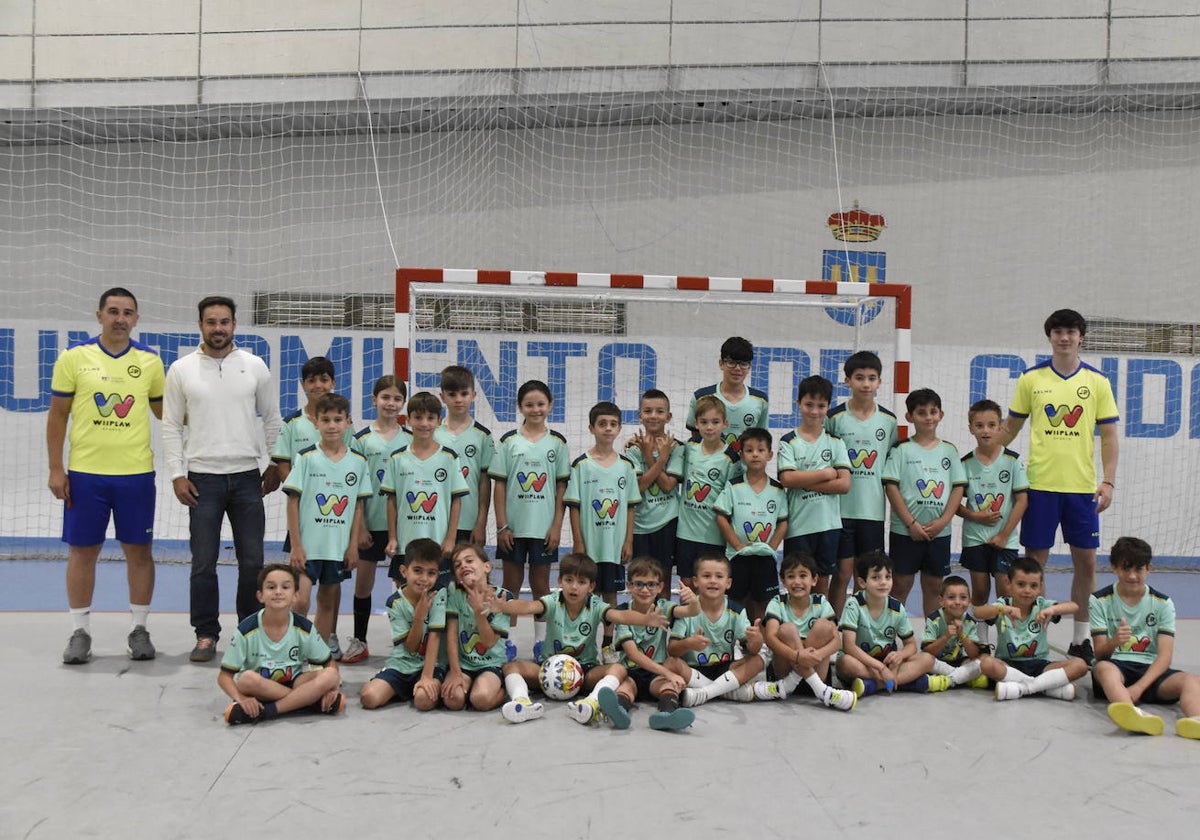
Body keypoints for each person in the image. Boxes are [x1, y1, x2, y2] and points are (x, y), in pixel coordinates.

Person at [162, 295, 283, 664]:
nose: (218, 328)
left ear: (234, 324)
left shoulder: (254, 365)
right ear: (200, 325)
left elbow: (272, 417)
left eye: (224, 322)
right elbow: (169, 426)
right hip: (202, 479)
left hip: (247, 477)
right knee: (202, 563)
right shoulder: (181, 370)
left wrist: (276, 463)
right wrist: (177, 475)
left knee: (252, 562)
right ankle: (205, 633)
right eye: (211, 322)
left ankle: (249, 631)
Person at [47, 287, 165, 665]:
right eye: (113, 311)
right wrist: (55, 468)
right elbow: (58, 416)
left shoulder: (150, 362)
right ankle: (80, 632)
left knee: (140, 553)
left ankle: (139, 629)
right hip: (85, 476)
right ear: (99, 315)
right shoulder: (74, 358)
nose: (120, 318)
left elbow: (168, 415)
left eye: (128, 312)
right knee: (83, 553)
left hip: (136, 475)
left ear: (136, 319)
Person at [999, 308, 1119, 664]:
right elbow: (1009, 430)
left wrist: (1108, 481)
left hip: (1081, 490)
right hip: (1039, 487)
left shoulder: (1098, 382)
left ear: (1081, 336)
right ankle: (1034, 635)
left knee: (1087, 564)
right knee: (1034, 566)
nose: (1064, 337)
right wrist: (982, 462)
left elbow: (1110, 437)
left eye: (1071, 331)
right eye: (1058, 331)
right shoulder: (1031, 379)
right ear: (1049, 337)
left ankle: (1081, 639)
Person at [494, 553, 668, 729]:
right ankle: (522, 702)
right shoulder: (553, 601)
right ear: (560, 581)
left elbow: (619, 615)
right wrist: (504, 606)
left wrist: (644, 620)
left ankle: (591, 703)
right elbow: (529, 606)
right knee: (511, 666)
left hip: (584, 673)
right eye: (569, 580)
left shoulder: (595, 605)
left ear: (591, 586)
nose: (574, 587)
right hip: (548, 672)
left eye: (581, 582)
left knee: (619, 669)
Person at [270, 355, 351, 657]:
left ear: (333, 382)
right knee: (301, 596)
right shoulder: (292, 424)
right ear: (303, 385)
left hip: (336, 524)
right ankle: (292, 641)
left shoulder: (344, 425)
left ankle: (325, 639)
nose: (319, 385)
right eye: (312, 380)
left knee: (332, 586)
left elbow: (349, 468)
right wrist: (301, 493)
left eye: (324, 379)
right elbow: (282, 465)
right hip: (306, 520)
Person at [282, 393, 369, 654]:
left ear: (348, 422)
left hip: (337, 547)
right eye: (326, 420)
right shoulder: (306, 458)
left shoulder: (358, 462)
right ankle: (294, 651)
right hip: (308, 546)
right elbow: (292, 502)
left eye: (337, 419)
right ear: (316, 423)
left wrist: (353, 546)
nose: (332, 425)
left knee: (327, 603)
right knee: (300, 600)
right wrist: (296, 546)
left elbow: (357, 507)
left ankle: (317, 656)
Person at [1089, 536, 1200, 738]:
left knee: (1190, 680)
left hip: (1151, 672)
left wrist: (1139, 687)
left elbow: (1165, 656)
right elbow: (1100, 653)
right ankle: (1134, 715)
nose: (1132, 576)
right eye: (1126, 568)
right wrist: (1115, 642)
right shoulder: (1099, 600)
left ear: (1149, 568)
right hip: (1117, 668)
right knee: (1103, 668)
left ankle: (1196, 720)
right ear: (1114, 568)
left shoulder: (1163, 603)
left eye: (1138, 569)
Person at [490, 379, 570, 658]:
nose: (535, 409)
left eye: (540, 404)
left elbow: (562, 488)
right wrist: (501, 525)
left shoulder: (557, 443)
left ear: (550, 405)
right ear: (519, 407)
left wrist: (557, 526)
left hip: (544, 530)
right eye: (529, 404)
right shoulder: (509, 442)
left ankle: (541, 642)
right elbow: (499, 485)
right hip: (513, 529)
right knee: (510, 587)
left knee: (541, 587)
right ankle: (508, 641)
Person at [218, 563, 344, 725]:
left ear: (296, 595)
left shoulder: (304, 628)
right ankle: (308, 702)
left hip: (296, 682)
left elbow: (330, 665)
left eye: (285, 587)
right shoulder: (247, 629)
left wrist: (333, 689)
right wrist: (241, 698)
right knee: (246, 679)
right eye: (271, 587)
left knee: (331, 675)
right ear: (260, 596)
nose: (278, 592)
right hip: (260, 687)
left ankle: (267, 711)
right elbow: (224, 677)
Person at [824, 351, 898, 618]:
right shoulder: (834, 418)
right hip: (840, 509)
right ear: (847, 381)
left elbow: (890, 465)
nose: (865, 384)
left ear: (879, 382)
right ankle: (832, 628)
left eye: (871, 378)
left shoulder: (888, 421)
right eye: (859, 378)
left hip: (872, 512)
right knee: (842, 573)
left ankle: (860, 629)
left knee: (865, 576)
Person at [881, 388, 966, 618]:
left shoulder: (949, 450)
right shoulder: (901, 450)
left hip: (939, 532)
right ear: (909, 417)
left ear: (941, 415)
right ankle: (890, 637)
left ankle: (932, 641)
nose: (928, 417)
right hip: (905, 531)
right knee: (900, 585)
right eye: (921, 412)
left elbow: (958, 487)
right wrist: (910, 523)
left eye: (933, 412)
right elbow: (891, 486)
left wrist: (944, 521)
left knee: (934, 587)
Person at [566, 401, 641, 651]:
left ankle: (608, 644)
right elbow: (573, 505)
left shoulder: (627, 466)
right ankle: (581, 643)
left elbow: (630, 506)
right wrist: (578, 540)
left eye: (613, 424)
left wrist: (628, 539)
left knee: (610, 595)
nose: (607, 429)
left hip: (614, 545)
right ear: (591, 428)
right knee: (584, 595)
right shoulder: (581, 465)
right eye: (602, 424)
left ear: (619, 428)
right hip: (589, 545)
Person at [346, 375, 411, 663]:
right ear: (374, 400)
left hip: (403, 527)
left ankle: (406, 642)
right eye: (385, 397)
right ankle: (360, 640)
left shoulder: (410, 439)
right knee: (364, 584)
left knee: (405, 587)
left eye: (397, 398)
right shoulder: (361, 440)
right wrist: (358, 528)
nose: (391, 403)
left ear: (403, 404)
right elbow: (355, 487)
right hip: (370, 524)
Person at [957, 398, 1028, 649]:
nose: (985, 430)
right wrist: (974, 516)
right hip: (975, 538)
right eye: (980, 425)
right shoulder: (964, 464)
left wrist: (1003, 534)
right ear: (971, 428)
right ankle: (982, 641)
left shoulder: (1012, 461)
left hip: (1005, 538)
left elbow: (1021, 501)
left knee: (1005, 591)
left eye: (991, 425)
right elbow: (954, 503)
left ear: (1000, 427)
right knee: (979, 589)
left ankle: (1009, 641)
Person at [973, 555, 1088, 701]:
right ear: (1008, 583)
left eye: (1033, 586)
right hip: (1008, 665)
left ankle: (1024, 688)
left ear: (1040, 587)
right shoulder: (1003, 604)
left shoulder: (1042, 605)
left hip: (1040, 666)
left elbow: (1074, 606)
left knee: (1080, 665)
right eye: (1021, 584)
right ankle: (1044, 688)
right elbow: (978, 612)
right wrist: (1002, 610)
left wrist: (1052, 610)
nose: (1027, 590)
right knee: (986, 663)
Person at [381, 391, 469, 581]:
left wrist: (450, 539)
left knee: (438, 599)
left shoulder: (449, 458)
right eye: (418, 417)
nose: (424, 423)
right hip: (406, 544)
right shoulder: (397, 459)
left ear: (439, 421)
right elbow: (391, 501)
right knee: (406, 599)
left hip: (438, 543)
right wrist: (392, 538)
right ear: (408, 420)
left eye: (430, 418)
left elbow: (456, 501)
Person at [835, 551, 949, 698]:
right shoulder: (854, 604)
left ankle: (873, 685)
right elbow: (849, 646)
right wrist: (881, 668)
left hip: (888, 664)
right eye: (876, 578)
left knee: (927, 659)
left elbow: (911, 646)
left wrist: (900, 655)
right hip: (862, 663)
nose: (883, 582)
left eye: (887, 577)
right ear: (862, 582)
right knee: (845, 663)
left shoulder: (896, 607)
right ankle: (905, 683)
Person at [777, 375, 850, 597]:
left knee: (822, 581)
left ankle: (820, 626)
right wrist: (825, 474)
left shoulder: (835, 442)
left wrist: (806, 480)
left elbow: (844, 484)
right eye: (809, 405)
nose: (814, 411)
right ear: (798, 403)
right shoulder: (788, 441)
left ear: (828, 407)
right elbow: (788, 479)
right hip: (799, 526)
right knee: (797, 579)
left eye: (821, 406)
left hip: (828, 524)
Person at [669, 554, 772, 707]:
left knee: (760, 659)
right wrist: (689, 643)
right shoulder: (686, 610)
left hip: (726, 670)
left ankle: (705, 693)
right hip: (693, 670)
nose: (713, 580)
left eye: (719, 576)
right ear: (695, 581)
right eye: (706, 576)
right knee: (671, 663)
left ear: (728, 583)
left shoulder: (736, 611)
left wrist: (756, 639)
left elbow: (753, 650)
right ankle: (729, 691)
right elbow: (672, 650)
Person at [758, 552, 856, 710]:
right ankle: (823, 692)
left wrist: (819, 654)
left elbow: (837, 641)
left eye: (803, 575)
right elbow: (769, 637)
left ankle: (817, 686)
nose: (797, 581)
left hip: (817, 669)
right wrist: (797, 655)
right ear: (783, 581)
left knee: (824, 627)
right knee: (787, 629)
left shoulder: (821, 603)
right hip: (784, 674)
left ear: (814, 580)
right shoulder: (777, 602)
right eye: (791, 576)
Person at [611, 557, 700, 731]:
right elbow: (633, 654)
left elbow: (691, 612)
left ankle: (667, 715)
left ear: (660, 587)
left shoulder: (665, 607)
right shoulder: (622, 612)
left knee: (669, 686)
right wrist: (668, 672)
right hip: (630, 672)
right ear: (629, 586)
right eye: (639, 584)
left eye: (651, 584)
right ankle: (618, 712)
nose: (645, 589)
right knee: (626, 688)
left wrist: (694, 601)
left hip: (655, 674)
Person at [359, 538, 445, 711]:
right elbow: (411, 647)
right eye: (418, 571)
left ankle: (422, 686)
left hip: (431, 665)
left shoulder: (439, 595)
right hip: (402, 664)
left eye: (431, 573)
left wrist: (427, 677)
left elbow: (435, 637)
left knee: (423, 701)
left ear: (438, 574)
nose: (424, 579)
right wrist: (419, 617)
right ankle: (403, 687)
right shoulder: (395, 602)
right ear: (404, 571)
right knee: (369, 697)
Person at [714, 427, 787, 624]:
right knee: (737, 600)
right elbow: (721, 517)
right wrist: (737, 545)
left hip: (764, 557)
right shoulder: (733, 485)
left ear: (770, 454)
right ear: (742, 455)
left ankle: (761, 641)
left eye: (761, 450)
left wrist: (771, 547)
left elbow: (783, 522)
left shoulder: (778, 489)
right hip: (738, 557)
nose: (755, 454)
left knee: (763, 602)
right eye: (749, 450)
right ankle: (738, 640)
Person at [673, 395, 739, 593]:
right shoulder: (687, 448)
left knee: (712, 588)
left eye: (715, 422)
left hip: (714, 536)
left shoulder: (731, 458)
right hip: (685, 533)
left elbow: (733, 498)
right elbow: (663, 446)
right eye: (704, 422)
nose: (709, 427)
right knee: (687, 585)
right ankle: (687, 624)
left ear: (725, 424)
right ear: (696, 424)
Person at [438, 543, 512, 713]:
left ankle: (504, 691)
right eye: (458, 565)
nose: (463, 565)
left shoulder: (502, 597)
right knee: (453, 700)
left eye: (469, 560)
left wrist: (479, 612)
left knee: (481, 700)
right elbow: (451, 636)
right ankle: (470, 685)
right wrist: (455, 671)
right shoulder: (455, 594)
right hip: (464, 664)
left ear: (487, 567)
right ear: (457, 576)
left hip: (491, 663)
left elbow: (489, 642)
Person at [624, 389, 683, 593]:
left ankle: (662, 623)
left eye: (659, 411)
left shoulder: (677, 448)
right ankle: (640, 623)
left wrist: (651, 457)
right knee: (640, 580)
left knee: (662, 580)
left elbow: (668, 485)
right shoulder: (632, 450)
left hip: (667, 521)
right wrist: (658, 459)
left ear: (669, 416)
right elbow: (639, 487)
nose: (653, 416)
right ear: (639, 416)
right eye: (648, 411)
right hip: (640, 524)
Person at [435, 365, 495, 546]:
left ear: (474, 396)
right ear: (442, 397)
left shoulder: (483, 435)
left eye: (464, 393)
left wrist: (481, 523)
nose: (458, 399)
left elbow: (484, 482)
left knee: (466, 573)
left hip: (469, 521)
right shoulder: (432, 432)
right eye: (452, 394)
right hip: (435, 520)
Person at [685, 336, 768, 450]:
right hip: (711, 466)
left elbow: (760, 439)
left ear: (749, 367)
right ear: (721, 364)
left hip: (744, 467)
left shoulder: (760, 400)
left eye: (743, 364)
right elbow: (696, 437)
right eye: (731, 362)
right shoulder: (701, 397)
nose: (737, 368)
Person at [920, 575, 987, 688]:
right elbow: (928, 651)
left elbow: (974, 654)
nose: (957, 602)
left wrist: (962, 635)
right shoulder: (934, 619)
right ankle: (962, 678)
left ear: (969, 601)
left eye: (963, 597)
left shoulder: (970, 622)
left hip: (958, 661)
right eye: (951, 597)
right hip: (936, 662)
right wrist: (946, 637)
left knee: (982, 661)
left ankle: (948, 679)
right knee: (922, 659)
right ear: (941, 601)